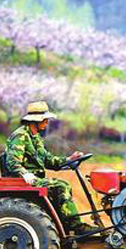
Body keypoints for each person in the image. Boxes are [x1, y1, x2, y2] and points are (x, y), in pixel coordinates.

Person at [5, 100, 95, 235]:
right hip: (24, 180)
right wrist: (24, 173)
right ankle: (75, 226)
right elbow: (12, 161)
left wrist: (69, 159)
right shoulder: (20, 136)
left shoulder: (35, 137)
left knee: (61, 185)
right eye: (44, 119)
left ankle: (65, 224)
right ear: (35, 121)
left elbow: (48, 160)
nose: (47, 122)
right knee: (62, 186)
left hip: (35, 178)